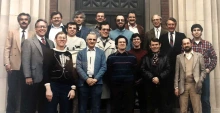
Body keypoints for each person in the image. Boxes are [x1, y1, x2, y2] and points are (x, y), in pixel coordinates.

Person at [21, 19, 54, 113]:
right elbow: (25, 60)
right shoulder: (29, 42)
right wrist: (28, 76)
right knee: (31, 103)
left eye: (44, 27)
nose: (42, 28)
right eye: (40, 26)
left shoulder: (50, 42)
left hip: (47, 78)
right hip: (34, 77)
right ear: (36, 28)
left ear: (47, 29)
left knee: (44, 104)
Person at [4, 12, 35, 113]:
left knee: (26, 92)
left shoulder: (33, 34)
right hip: (14, 66)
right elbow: (7, 48)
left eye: (26, 19)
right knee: (12, 91)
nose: (24, 21)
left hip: (27, 69)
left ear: (29, 21)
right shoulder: (12, 32)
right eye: (21, 19)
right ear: (19, 21)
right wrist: (7, 63)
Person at [44, 31, 77, 113]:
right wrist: (48, 89)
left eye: (64, 38)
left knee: (65, 110)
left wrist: (73, 88)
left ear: (66, 40)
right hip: (53, 86)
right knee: (51, 110)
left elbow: (71, 72)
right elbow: (45, 71)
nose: (62, 40)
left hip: (66, 86)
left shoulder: (68, 54)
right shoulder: (49, 52)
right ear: (55, 40)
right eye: (60, 38)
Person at [159, 17, 186, 112]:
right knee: (168, 90)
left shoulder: (181, 35)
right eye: (169, 24)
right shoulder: (162, 37)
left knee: (181, 90)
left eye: (172, 24)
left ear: (175, 25)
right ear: (166, 26)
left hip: (180, 66)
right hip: (167, 68)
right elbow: (160, 52)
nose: (171, 26)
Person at [76, 32, 107, 113]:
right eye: (90, 39)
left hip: (97, 82)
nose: (92, 41)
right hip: (83, 82)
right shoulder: (81, 53)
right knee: (82, 106)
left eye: (94, 39)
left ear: (96, 41)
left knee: (96, 106)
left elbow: (104, 67)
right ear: (86, 40)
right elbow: (78, 67)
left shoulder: (101, 53)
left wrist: (95, 79)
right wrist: (87, 79)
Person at [174, 38, 206, 113]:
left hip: (195, 85)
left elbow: (203, 71)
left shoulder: (199, 56)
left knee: (197, 109)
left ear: (191, 44)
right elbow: (177, 73)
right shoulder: (179, 57)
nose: (186, 45)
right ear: (182, 46)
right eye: (184, 44)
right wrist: (176, 87)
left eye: (187, 43)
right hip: (183, 85)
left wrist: (200, 80)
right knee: (183, 109)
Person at [191, 24, 217, 113]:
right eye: (194, 30)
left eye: (198, 30)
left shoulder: (207, 44)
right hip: (191, 76)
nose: (196, 32)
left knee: (205, 99)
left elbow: (214, 58)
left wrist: (209, 69)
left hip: (204, 75)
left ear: (201, 32)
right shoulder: (188, 44)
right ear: (192, 32)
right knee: (192, 100)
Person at [107, 35, 137, 113]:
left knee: (129, 108)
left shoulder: (132, 57)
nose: (122, 43)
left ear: (126, 44)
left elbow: (135, 72)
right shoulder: (111, 57)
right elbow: (108, 73)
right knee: (116, 108)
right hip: (115, 88)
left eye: (124, 42)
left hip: (129, 87)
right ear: (116, 44)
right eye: (120, 42)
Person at [141, 38, 170, 113]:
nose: (154, 46)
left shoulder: (165, 56)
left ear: (160, 45)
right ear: (150, 46)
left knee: (163, 107)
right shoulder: (145, 57)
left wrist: (159, 77)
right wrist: (152, 77)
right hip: (149, 85)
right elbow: (143, 69)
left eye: (156, 44)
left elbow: (168, 69)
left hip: (162, 85)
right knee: (150, 108)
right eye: (152, 45)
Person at [65, 21, 86, 113]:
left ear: (77, 30)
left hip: (77, 70)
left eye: (74, 28)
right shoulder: (62, 38)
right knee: (64, 93)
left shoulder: (81, 41)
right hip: (64, 70)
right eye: (70, 28)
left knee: (76, 95)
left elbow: (83, 56)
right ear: (66, 29)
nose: (72, 30)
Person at [95, 21, 116, 113]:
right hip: (97, 74)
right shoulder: (94, 42)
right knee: (96, 98)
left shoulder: (113, 43)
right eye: (103, 29)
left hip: (109, 74)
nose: (106, 31)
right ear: (99, 30)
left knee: (109, 99)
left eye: (107, 30)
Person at [129, 33, 147, 113]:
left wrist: (142, 79)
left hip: (143, 80)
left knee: (143, 102)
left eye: (138, 39)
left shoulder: (145, 53)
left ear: (141, 41)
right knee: (130, 102)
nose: (136, 41)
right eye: (134, 39)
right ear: (132, 41)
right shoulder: (128, 53)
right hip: (131, 80)